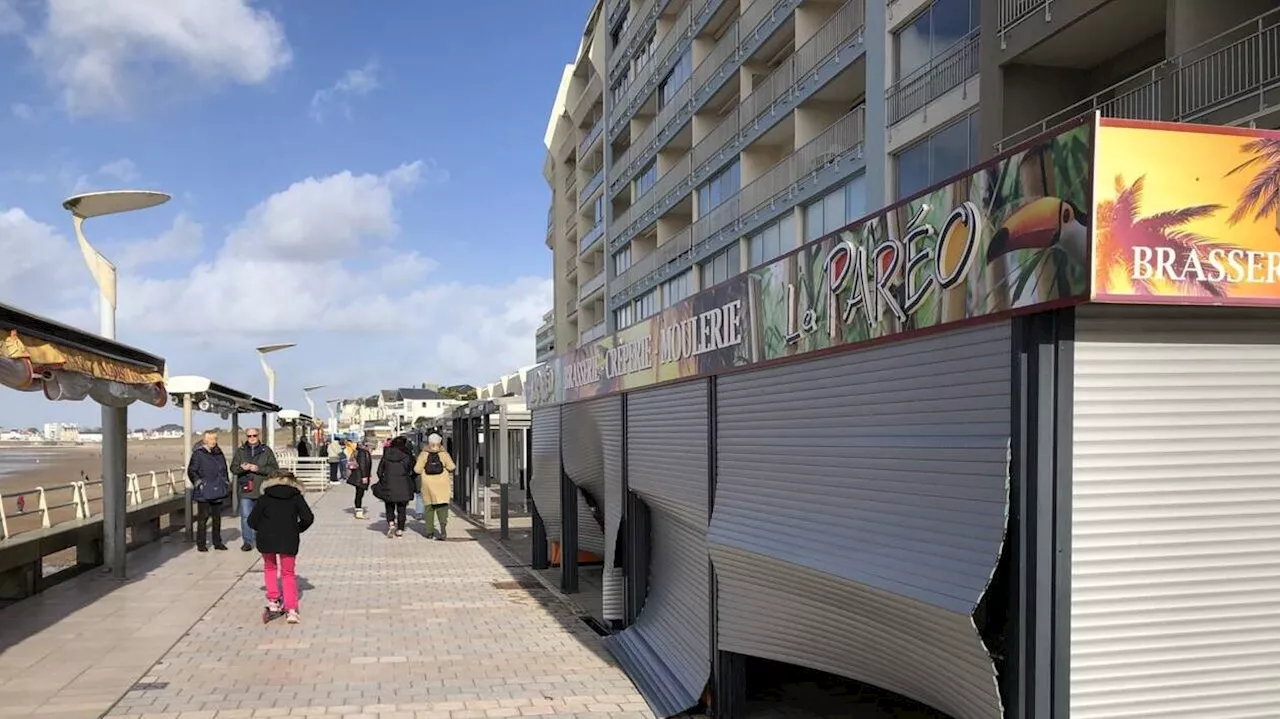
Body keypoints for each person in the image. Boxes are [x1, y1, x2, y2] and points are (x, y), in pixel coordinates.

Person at [247, 470, 314, 624]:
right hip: (288, 538)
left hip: (266, 538)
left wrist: (263, 528)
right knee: (288, 573)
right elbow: (308, 518)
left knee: (270, 568)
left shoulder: (264, 498)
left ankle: (273, 601)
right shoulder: (296, 497)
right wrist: (296, 528)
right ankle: (291, 610)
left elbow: (251, 521)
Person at [230, 427, 279, 552]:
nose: (252, 438)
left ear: (259, 436)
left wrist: (258, 469)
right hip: (246, 489)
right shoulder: (240, 451)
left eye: (254, 435)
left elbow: (274, 469)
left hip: (262, 489)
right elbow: (233, 468)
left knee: (263, 516)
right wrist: (243, 468)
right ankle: (247, 541)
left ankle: (261, 538)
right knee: (246, 516)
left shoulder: (266, 451)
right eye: (249, 436)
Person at [188, 430, 231, 551]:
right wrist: (199, 483)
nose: (213, 442)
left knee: (217, 518)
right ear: (205, 440)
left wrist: (225, 481)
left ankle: (217, 542)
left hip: (218, 489)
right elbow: (192, 470)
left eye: (215, 439)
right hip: (204, 491)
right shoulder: (198, 454)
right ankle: (201, 544)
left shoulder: (219, 453)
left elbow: (224, 469)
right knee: (203, 518)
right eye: (211, 439)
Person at [414, 433, 457, 541]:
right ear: (439, 442)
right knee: (442, 507)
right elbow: (452, 466)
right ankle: (443, 528)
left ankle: (429, 532)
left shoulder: (423, 454)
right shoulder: (444, 454)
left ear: (429, 442)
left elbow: (417, 470)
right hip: (442, 485)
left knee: (429, 509)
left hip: (428, 485)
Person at [374, 436, 417, 538]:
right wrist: (410, 479)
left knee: (389, 506)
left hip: (388, 484)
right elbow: (414, 470)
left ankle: (391, 524)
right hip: (403, 485)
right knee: (402, 509)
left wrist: (383, 479)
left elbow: (379, 471)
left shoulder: (386, 455)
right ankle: (400, 529)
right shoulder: (407, 456)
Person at [345, 439, 373, 519]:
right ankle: (358, 511)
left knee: (359, 493)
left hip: (358, 475)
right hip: (360, 476)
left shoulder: (358, 451)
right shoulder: (363, 453)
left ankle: (358, 510)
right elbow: (363, 465)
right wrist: (364, 476)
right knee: (359, 494)